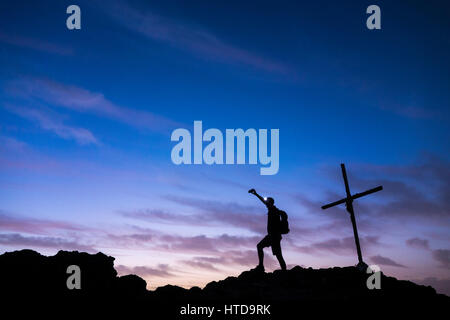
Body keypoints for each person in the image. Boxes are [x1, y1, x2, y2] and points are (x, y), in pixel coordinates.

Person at [248, 188, 287, 272]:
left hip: (274, 236)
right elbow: (264, 201)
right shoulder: (273, 210)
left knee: (276, 254)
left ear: (270, 203)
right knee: (277, 254)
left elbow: (264, 201)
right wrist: (256, 194)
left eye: (267, 202)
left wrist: (256, 194)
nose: (266, 203)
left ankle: (262, 267)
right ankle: (282, 270)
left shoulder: (273, 210)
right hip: (274, 236)